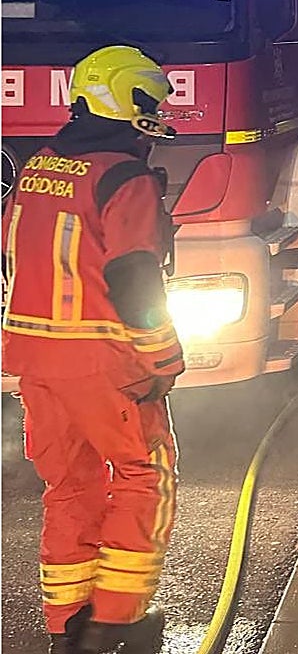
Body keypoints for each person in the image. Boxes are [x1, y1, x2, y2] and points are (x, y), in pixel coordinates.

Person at [2, 45, 184, 654]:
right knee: (143, 476)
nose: (157, 113)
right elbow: (135, 276)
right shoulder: (123, 177)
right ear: (121, 98)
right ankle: (113, 627)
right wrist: (162, 355)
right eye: (149, 101)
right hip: (104, 363)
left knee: (69, 488)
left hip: (35, 364)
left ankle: (67, 628)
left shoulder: (35, 168)